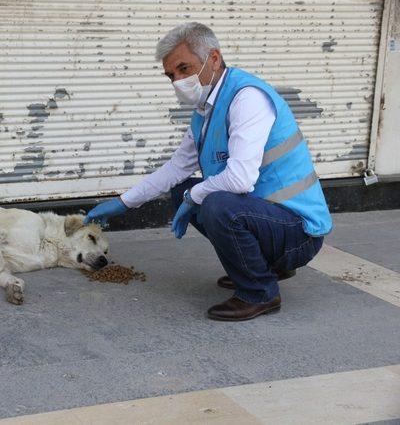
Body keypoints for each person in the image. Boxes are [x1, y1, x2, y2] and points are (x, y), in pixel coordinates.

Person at [84, 22, 332, 321]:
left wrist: (195, 195)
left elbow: (240, 179)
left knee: (215, 203)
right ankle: (260, 267)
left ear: (213, 59)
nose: (177, 80)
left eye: (184, 69)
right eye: (171, 75)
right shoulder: (205, 111)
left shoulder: (246, 98)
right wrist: (123, 202)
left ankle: (259, 292)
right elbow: (176, 168)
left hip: (299, 232)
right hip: (268, 218)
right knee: (183, 189)